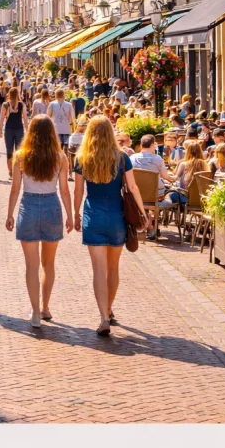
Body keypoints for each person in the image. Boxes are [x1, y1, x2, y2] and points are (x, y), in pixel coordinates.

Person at [73, 116, 147, 336]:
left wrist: (74, 214)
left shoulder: (82, 158)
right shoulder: (122, 157)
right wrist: (143, 213)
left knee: (98, 269)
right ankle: (108, 308)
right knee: (113, 268)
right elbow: (133, 187)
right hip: (116, 215)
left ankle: (104, 317)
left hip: (93, 215)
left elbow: (78, 191)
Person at [6, 115, 72, 327]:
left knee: (31, 265)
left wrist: (10, 214)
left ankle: (35, 312)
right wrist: (71, 214)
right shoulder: (60, 157)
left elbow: (15, 188)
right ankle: (45, 307)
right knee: (49, 264)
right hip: (52, 206)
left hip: (29, 206)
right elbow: (64, 190)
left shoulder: (21, 156)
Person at [0, 86, 28, 179]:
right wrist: (28, 130)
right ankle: (19, 171)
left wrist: (0, 130)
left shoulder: (5, 105)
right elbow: (25, 119)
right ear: (18, 94)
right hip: (19, 129)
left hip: (9, 130)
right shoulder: (21, 105)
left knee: (9, 151)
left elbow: (1, 119)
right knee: (19, 151)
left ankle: (11, 172)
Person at [47, 86, 75, 152]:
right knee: (66, 145)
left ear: (56, 95)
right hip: (66, 127)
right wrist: (70, 123)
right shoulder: (69, 105)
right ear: (63, 95)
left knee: (57, 146)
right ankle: (65, 158)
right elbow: (73, 117)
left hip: (56, 128)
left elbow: (48, 115)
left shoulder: (52, 104)